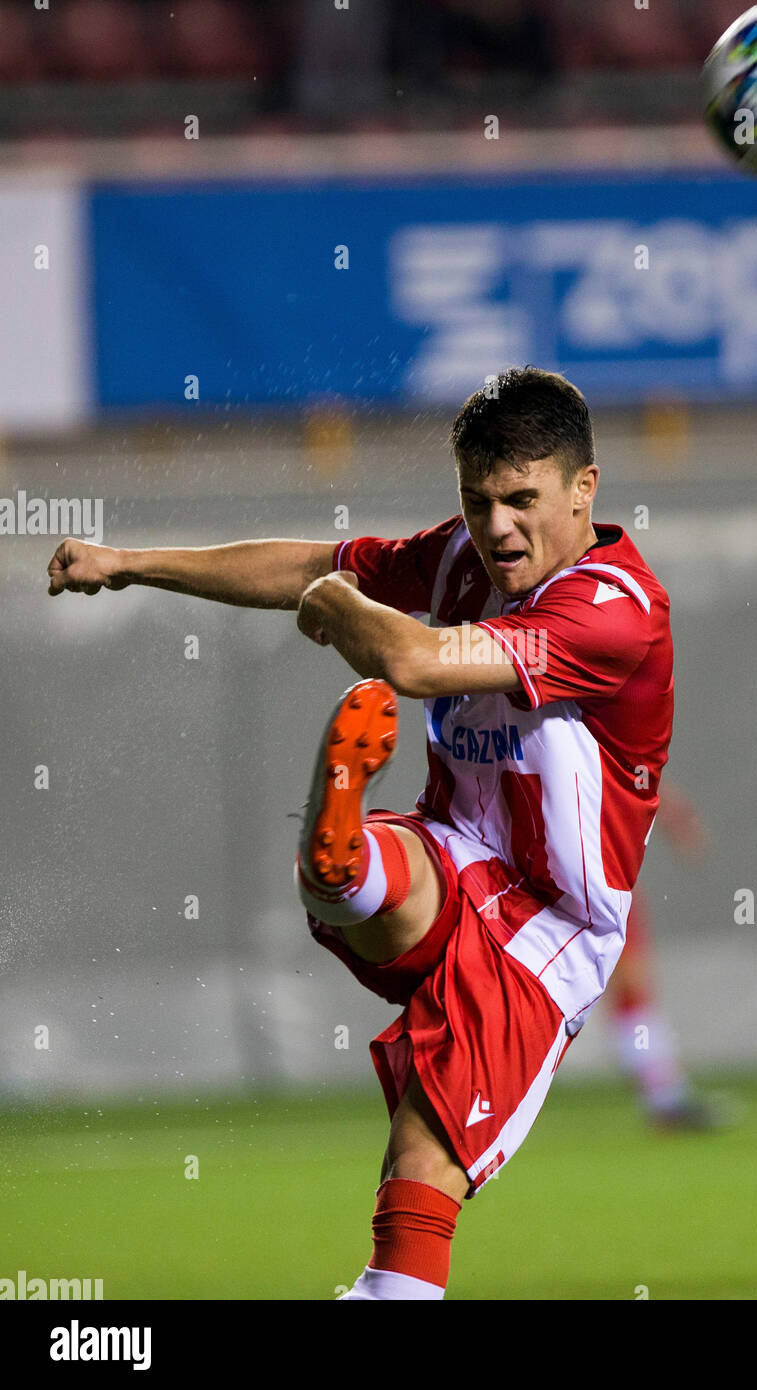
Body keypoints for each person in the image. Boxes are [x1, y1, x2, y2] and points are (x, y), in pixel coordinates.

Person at [46, 365, 675, 1300]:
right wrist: (133, 562)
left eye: (520, 500)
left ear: (585, 489)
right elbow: (312, 565)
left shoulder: (615, 608)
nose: (496, 526)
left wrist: (343, 605)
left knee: (420, 1166)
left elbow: (409, 658)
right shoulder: (464, 557)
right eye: (475, 500)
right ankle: (338, 857)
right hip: (452, 853)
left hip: (549, 931)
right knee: (353, 869)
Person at [607, 788, 731, 1130]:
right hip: (570, 870)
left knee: (630, 985)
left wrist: (677, 819)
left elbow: (640, 774)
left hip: (603, 872)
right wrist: (678, 821)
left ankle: (664, 1095)